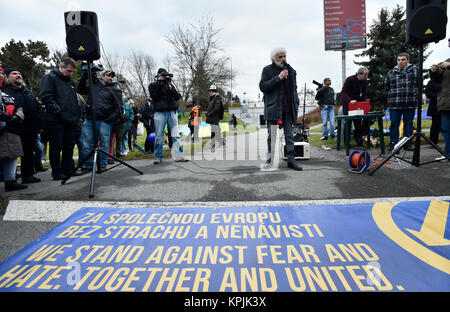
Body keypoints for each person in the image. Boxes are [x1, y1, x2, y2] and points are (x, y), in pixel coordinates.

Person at [259, 47, 302, 171]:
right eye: (280, 57)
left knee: (289, 135)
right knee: (272, 135)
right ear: (274, 59)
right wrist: (279, 77)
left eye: (284, 56)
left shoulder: (291, 71)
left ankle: (291, 160)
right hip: (273, 109)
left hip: (287, 108)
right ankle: (270, 159)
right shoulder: (267, 70)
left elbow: (294, 88)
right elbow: (263, 86)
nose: (283, 59)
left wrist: (296, 102)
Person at [40, 57, 83, 180]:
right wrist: (58, 111)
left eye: (72, 71)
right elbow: (46, 97)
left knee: (69, 146)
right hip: (56, 120)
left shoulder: (70, 82)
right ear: (61, 67)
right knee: (56, 146)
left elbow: (74, 99)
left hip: (71, 120)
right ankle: (57, 171)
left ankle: (68, 169)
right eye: (69, 71)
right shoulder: (50, 78)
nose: (71, 74)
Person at [77, 69, 124, 173]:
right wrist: (84, 76)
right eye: (108, 75)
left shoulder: (115, 90)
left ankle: (103, 164)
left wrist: (109, 119)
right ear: (102, 76)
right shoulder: (94, 86)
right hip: (89, 120)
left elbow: (119, 108)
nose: (110, 78)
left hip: (105, 121)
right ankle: (88, 165)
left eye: (112, 76)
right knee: (86, 144)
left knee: (104, 144)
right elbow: (80, 89)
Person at [3, 68, 43, 184]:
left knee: (29, 152)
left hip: (30, 128)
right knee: (11, 154)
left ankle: (28, 175)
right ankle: (10, 177)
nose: (18, 75)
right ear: (7, 77)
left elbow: (37, 107)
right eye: (14, 73)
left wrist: (39, 122)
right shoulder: (6, 91)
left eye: (19, 73)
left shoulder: (27, 91)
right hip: (13, 128)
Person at [148, 68, 186, 164]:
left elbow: (178, 97)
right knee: (159, 135)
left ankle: (179, 156)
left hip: (172, 112)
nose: (164, 79)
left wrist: (170, 88)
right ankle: (158, 156)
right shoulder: (153, 85)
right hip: (160, 112)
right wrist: (160, 85)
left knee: (175, 135)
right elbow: (155, 97)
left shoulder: (169, 85)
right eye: (162, 76)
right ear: (158, 76)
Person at [385, 53, 419, 151]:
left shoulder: (415, 71)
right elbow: (386, 86)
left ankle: (407, 144)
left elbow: (419, 84)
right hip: (395, 104)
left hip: (410, 103)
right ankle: (394, 144)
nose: (400, 61)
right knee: (394, 124)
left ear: (408, 60)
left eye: (403, 59)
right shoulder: (391, 73)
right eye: (399, 60)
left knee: (408, 124)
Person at [0, 66, 27, 191]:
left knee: (12, 155)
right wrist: (6, 117)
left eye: (1, 73)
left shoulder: (7, 92)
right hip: (4, 126)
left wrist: (16, 116)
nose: (0, 75)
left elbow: (18, 106)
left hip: (12, 128)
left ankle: (10, 180)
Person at [341, 67, 369, 147]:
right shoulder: (349, 80)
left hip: (358, 104)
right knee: (348, 123)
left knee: (358, 122)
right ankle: (347, 143)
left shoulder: (364, 82)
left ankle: (359, 141)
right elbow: (344, 93)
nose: (366, 76)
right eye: (365, 74)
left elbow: (363, 93)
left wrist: (364, 102)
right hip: (348, 104)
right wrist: (350, 100)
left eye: (367, 74)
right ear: (359, 74)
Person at [430, 57, 450, 160]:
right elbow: (436, 82)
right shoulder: (446, 61)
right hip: (445, 102)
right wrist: (434, 72)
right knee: (446, 129)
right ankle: (448, 154)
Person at [206, 85, 225, 151]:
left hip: (215, 117)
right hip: (213, 117)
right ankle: (221, 142)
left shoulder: (216, 98)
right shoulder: (213, 98)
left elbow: (217, 108)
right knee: (215, 131)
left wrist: (210, 113)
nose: (209, 93)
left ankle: (213, 145)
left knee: (213, 131)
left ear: (212, 91)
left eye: (210, 91)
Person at [424, 79, 442, 145]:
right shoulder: (432, 81)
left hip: (445, 104)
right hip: (435, 105)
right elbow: (428, 93)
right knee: (435, 124)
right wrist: (439, 95)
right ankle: (433, 142)